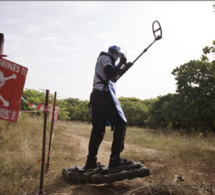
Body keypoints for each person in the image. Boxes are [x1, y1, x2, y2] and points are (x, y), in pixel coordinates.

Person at [84, 45, 134, 169]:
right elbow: (110, 73)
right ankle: (115, 159)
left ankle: (91, 161)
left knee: (98, 129)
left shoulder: (103, 58)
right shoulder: (107, 57)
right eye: (118, 56)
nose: (117, 58)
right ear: (116, 53)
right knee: (121, 123)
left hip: (96, 95)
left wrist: (124, 67)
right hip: (103, 95)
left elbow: (113, 77)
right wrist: (122, 63)